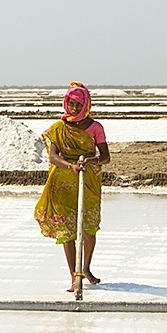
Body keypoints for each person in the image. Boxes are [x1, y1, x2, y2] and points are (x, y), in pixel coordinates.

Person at [34, 81, 111, 292]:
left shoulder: (96, 127)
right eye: (71, 103)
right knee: (67, 230)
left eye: (78, 103)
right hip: (63, 183)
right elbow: (53, 156)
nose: (74, 108)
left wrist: (90, 161)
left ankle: (85, 268)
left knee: (89, 229)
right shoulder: (59, 128)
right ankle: (73, 276)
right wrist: (71, 165)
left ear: (86, 104)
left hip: (88, 181)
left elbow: (105, 157)